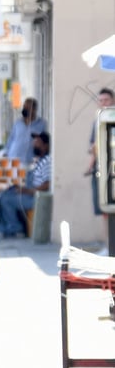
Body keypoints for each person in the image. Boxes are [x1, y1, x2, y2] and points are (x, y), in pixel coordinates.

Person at [0, 131, 52, 238]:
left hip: (35, 197)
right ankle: (4, 228)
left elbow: (47, 184)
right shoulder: (39, 160)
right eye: (34, 142)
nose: (34, 144)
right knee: (3, 194)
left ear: (46, 145)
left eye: (38, 142)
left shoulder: (47, 162)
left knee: (6, 200)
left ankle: (16, 229)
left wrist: (27, 191)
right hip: (29, 192)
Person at [86, 88, 114, 254]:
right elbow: (93, 147)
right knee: (104, 211)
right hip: (102, 171)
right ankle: (109, 244)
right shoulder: (97, 121)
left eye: (107, 100)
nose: (103, 103)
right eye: (101, 100)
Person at [2, 97, 47, 165]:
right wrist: (5, 152)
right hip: (13, 160)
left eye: (28, 107)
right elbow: (11, 139)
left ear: (34, 109)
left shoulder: (41, 124)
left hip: (29, 162)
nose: (25, 109)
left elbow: (45, 143)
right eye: (24, 106)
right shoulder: (18, 123)